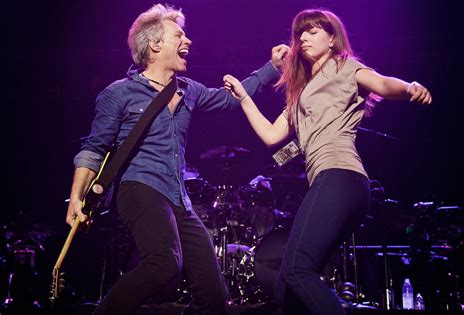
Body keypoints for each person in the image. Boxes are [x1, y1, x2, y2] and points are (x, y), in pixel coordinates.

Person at [65, 3, 288, 315]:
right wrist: (77, 196)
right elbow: (94, 148)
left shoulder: (187, 90)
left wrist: (272, 67)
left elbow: (230, 98)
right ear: (156, 44)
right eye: (179, 35)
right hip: (139, 187)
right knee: (165, 262)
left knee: (213, 294)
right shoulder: (119, 93)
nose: (189, 41)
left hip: (177, 196)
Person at [223, 8, 431, 315]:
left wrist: (409, 87)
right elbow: (271, 136)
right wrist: (243, 96)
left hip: (341, 175)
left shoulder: (345, 67)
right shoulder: (300, 91)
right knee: (286, 287)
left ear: (332, 39)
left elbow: (384, 84)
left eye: (313, 31)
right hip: (332, 182)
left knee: (296, 271)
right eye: (300, 33)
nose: (303, 38)